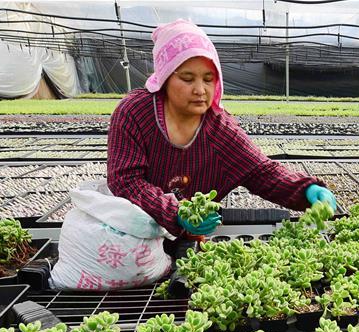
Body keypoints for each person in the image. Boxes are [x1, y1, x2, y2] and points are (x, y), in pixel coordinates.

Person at [106, 19, 337, 238]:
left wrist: (306, 190)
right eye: (187, 78)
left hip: (193, 233)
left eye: (208, 79)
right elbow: (125, 181)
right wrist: (175, 212)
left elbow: (259, 171)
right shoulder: (135, 113)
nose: (200, 90)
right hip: (133, 231)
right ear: (165, 77)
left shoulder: (219, 127)